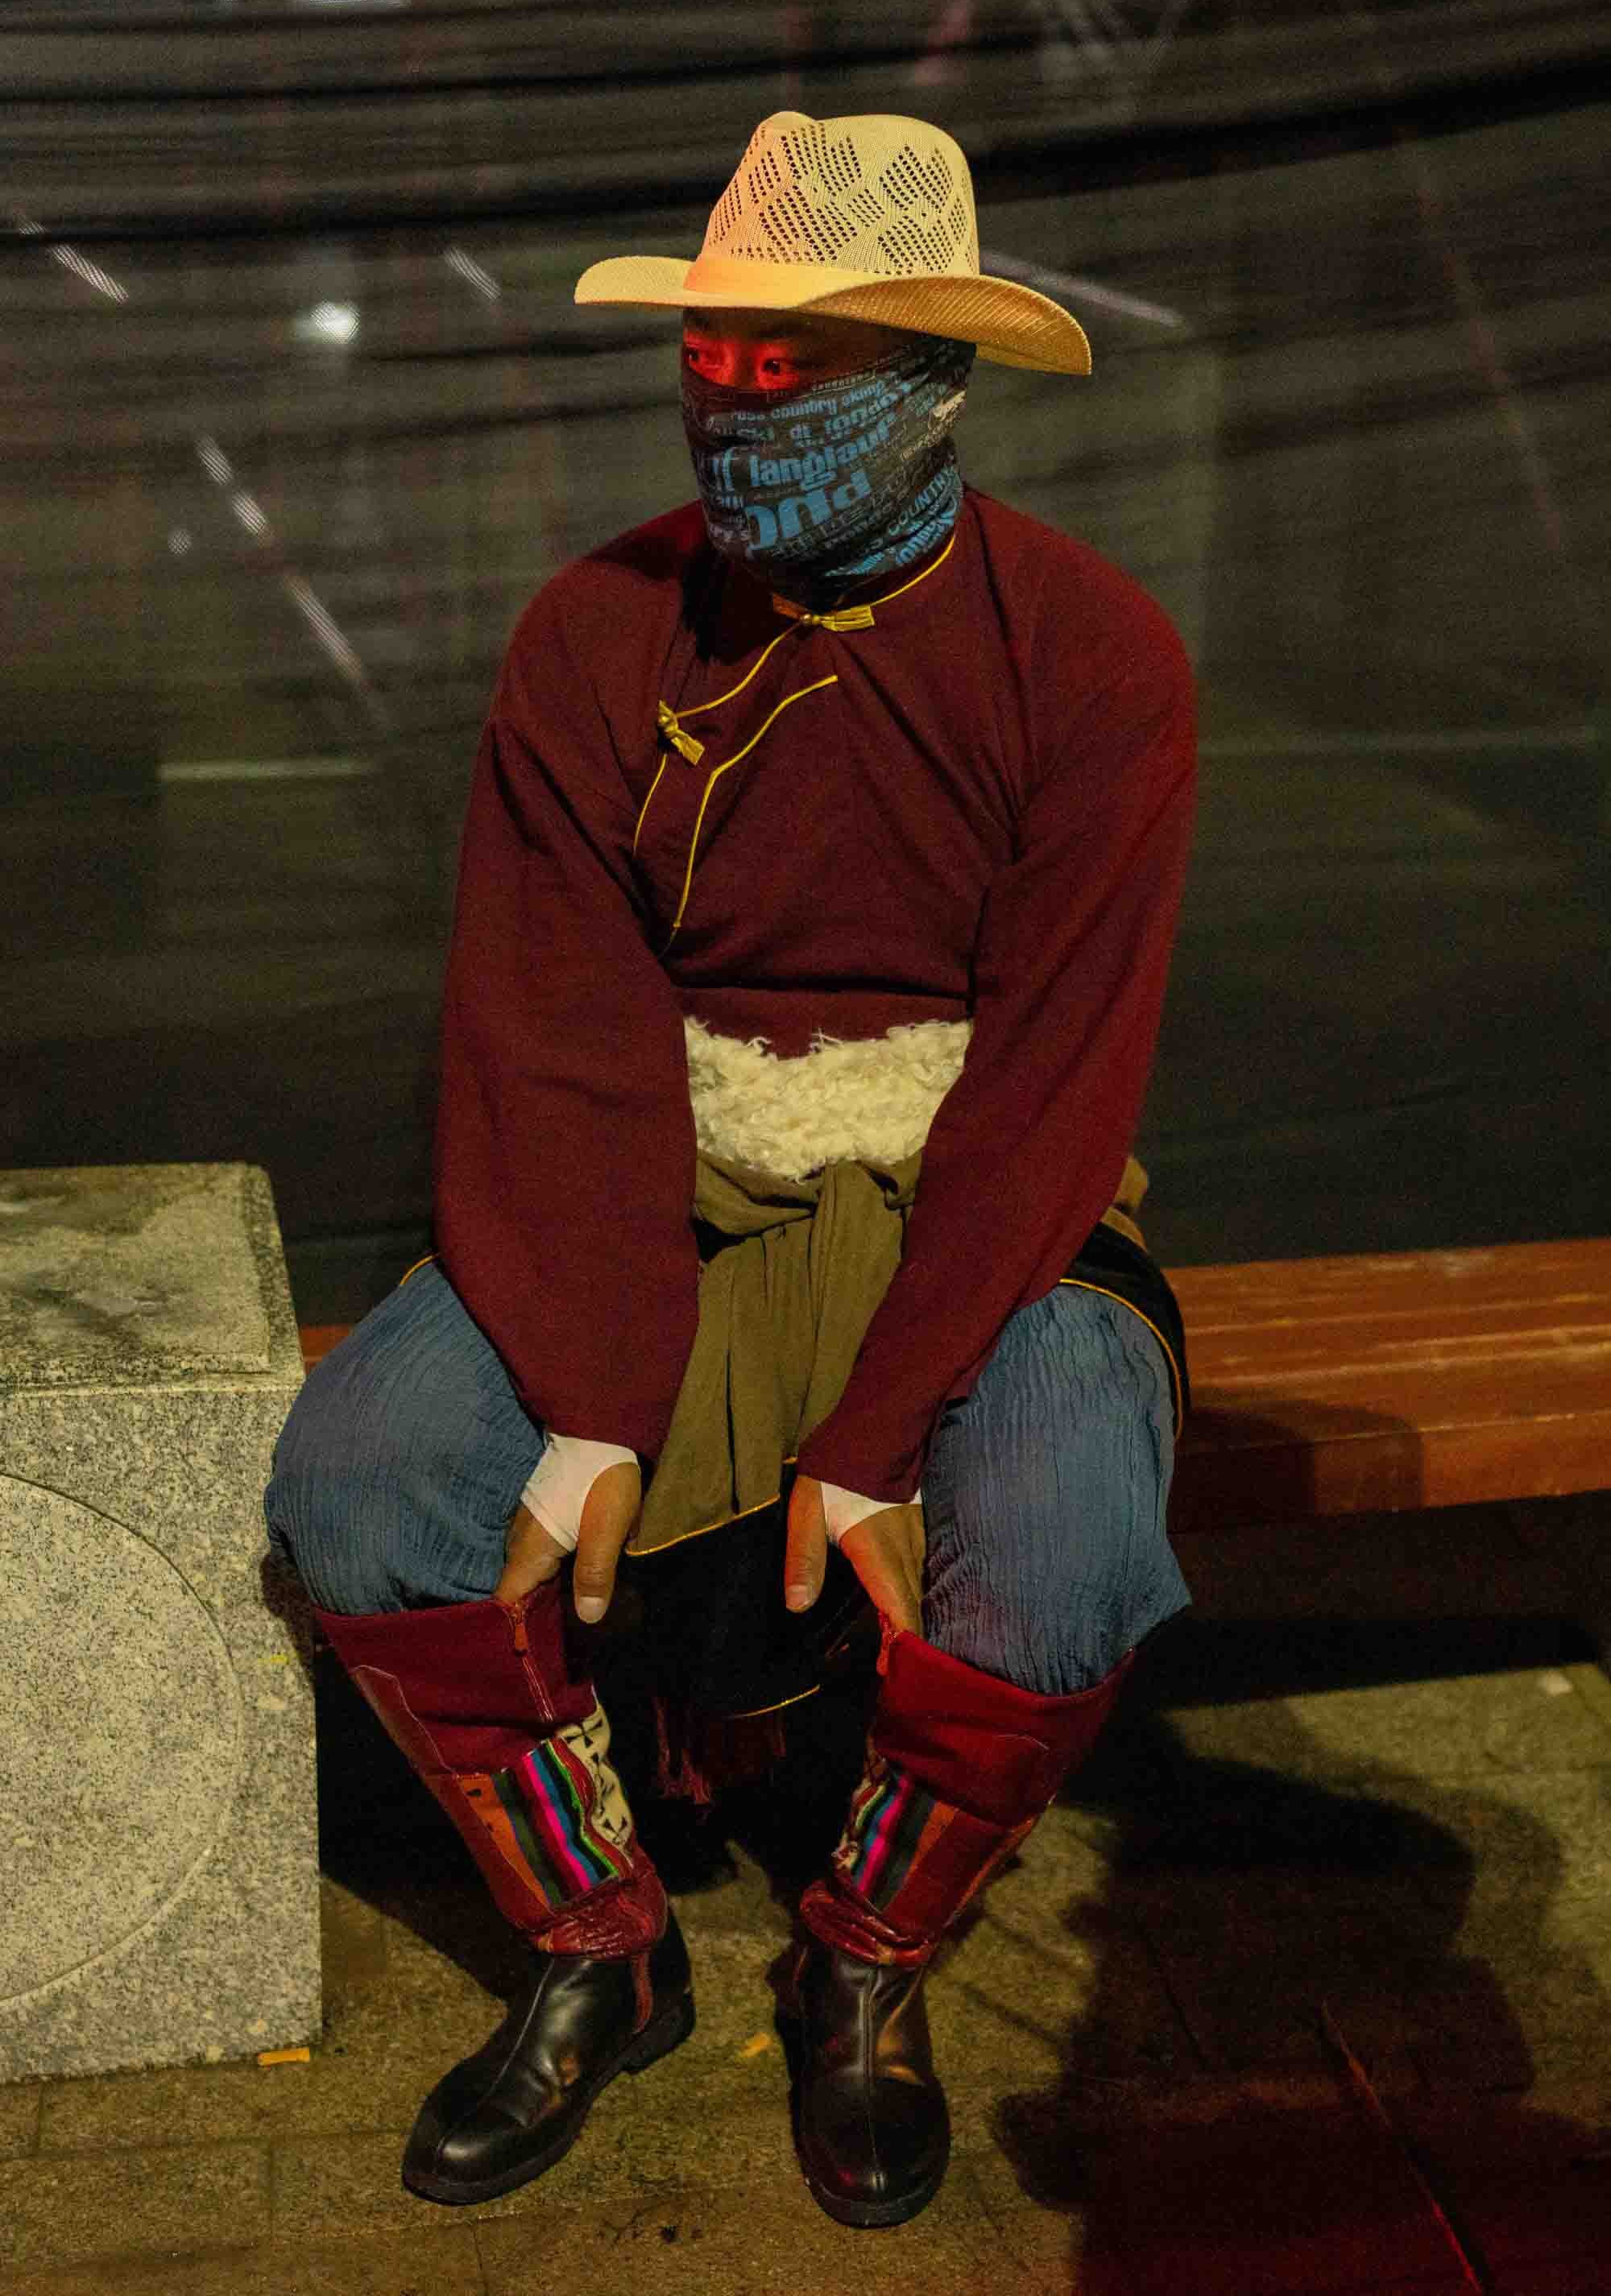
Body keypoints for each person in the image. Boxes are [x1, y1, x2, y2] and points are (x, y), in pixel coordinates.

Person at [266, 109, 1196, 2232]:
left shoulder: (1096, 658)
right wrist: (595, 1393)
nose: (739, 410)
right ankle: (603, 1949)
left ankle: (868, 1965)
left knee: (1060, 1542)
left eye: (803, 368)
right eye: (716, 362)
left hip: (977, 1179)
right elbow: (552, 1032)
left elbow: (1055, 1072)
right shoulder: (597, 639)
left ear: (938, 385)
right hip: (651, 1165)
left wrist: (876, 1428)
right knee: (367, 1482)